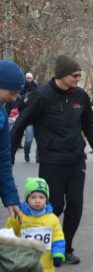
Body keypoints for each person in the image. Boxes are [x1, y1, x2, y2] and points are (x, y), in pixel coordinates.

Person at [10, 55, 93, 265]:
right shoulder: (41, 96)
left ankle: (66, 248)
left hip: (76, 160)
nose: (78, 79)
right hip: (51, 160)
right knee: (54, 206)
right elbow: (19, 125)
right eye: (75, 75)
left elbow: (90, 125)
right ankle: (41, 246)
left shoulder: (81, 96)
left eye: (80, 75)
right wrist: (10, 156)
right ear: (62, 74)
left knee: (75, 205)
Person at [4, 177, 65, 272]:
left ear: (46, 198)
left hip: (44, 262)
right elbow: (8, 234)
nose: (38, 201)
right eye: (33, 197)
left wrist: (58, 254)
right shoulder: (18, 216)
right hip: (23, 261)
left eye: (42, 197)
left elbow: (58, 238)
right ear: (26, 198)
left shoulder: (52, 218)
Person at [0, 60, 25, 226]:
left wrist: (11, 199)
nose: (14, 98)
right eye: (12, 92)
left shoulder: (2, 113)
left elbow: (3, 160)